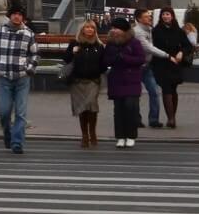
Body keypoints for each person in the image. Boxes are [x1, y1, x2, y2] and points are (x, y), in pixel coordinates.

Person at [0, 4, 36, 154]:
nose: (17, 16)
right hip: (4, 78)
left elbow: (35, 54)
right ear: (10, 16)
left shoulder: (28, 34)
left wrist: (29, 69)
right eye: (14, 14)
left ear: (23, 17)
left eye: (20, 14)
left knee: (21, 113)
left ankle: (17, 142)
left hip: (22, 79)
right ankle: (7, 133)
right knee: (4, 111)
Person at [102, 16, 148, 148]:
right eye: (113, 28)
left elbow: (140, 59)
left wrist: (125, 57)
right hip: (116, 80)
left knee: (130, 108)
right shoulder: (111, 44)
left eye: (117, 28)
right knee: (119, 110)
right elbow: (105, 60)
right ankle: (120, 136)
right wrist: (112, 59)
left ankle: (131, 135)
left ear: (124, 30)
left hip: (131, 80)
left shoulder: (134, 43)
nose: (114, 30)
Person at [63, 19, 106, 148]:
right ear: (82, 30)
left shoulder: (99, 45)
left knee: (91, 107)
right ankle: (84, 135)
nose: (89, 30)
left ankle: (92, 132)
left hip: (93, 81)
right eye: (87, 27)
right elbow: (66, 59)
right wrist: (73, 52)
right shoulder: (75, 43)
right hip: (77, 82)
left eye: (92, 28)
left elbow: (103, 64)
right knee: (82, 109)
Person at [151, 7, 190, 128]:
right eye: (163, 14)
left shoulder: (178, 31)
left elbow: (188, 45)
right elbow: (154, 47)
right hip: (162, 63)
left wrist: (181, 52)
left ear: (172, 16)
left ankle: (173, 116)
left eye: (167, 14)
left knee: (173, 89)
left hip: (175, 63)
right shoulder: (156, 31)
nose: (165, 16)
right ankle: (171, 119)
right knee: (166, 88)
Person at [133, 8, 166, 129]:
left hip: (147, 66)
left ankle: (153, 119)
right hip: (136, 67)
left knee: (155, 92)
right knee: (135, 94)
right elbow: (148, 48)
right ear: (139, 19)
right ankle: (136, 119)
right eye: (147, 16)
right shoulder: (137, 32)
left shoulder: (150, 30)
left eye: (150, 16)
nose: (150, 18)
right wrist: (166, 55)